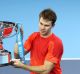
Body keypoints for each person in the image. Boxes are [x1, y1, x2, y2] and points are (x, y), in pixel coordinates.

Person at [13, 8, 63, 74]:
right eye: (41, 23)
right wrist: (19, 38)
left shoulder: (56, 43)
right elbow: (18, 56)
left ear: (53, 26)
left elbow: (45, 70)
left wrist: (23, 66)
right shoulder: (34, 36)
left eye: (46, 25)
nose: (42, 28)